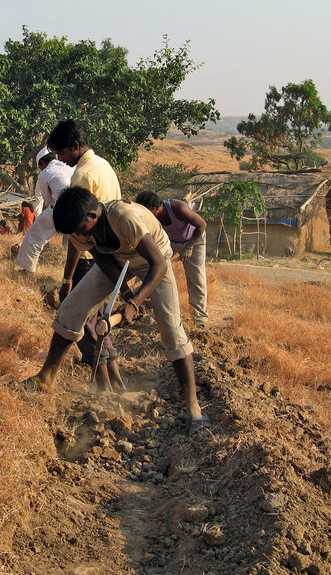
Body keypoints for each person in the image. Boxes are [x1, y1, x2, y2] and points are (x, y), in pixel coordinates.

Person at [22, 186, 210, 434]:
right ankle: (46, 377)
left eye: (79, 229)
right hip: (117, 260)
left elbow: (158, 264)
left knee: (171, 329)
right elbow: (100, 256)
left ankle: (193, 406)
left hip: (155, 259)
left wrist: (135, 303)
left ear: (92, 215)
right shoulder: (79, 229)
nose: (77, 235)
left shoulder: (124, 217)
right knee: (71, 308)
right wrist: (124, 291)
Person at [48, 120, 125, 393]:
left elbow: (76, 234)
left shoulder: (81, 176)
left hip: (89, 257)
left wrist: (67, 277)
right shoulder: (103, 165)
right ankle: (115, 381)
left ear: (75, 146)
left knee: (83, 323)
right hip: (109, 252)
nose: (61, 160)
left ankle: (102, 388)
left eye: (62, 153)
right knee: (99, 322)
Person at [134, 190, 209, 328]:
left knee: (196, 279)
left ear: (157, 207)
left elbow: (202, 225)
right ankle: (138, 304)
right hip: (170, 242)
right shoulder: (152, 218)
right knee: (148, 267)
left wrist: (189, 247)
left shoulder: (178, 208)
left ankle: (200, 317)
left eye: (147, 211)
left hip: (193, 240)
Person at [15, 146, 74, 273]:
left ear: (42, 162)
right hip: (78, 207)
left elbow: (47, 201)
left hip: (60, 208)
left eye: (39, 166)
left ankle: (27, 270)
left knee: (34, 236)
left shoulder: (44, 174)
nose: (40, 169)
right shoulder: (69, 166)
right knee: (73, 240)